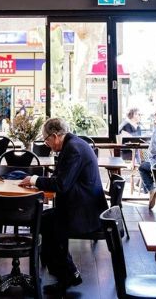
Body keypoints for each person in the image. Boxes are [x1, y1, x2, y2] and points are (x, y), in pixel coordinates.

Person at [18, 118, 108, 294]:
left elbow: (61, 184)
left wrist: (34, 180)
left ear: (55, 136)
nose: (47, 144)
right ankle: (64, 271)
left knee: (43, 222)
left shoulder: (73, 149)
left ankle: (66, 273)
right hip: (82, 205)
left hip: (84, 212)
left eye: (46, 140)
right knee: (42, 219)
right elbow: (61, 178)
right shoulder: (74, 144)